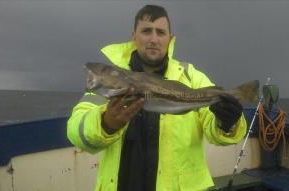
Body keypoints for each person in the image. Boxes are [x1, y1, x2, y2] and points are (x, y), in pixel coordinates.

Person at [67, 4, 246, 191]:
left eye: (160, 32)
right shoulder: (112, 82)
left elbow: (215, 131)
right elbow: (76, 130)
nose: (153, 39)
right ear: (134, 36)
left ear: (170, 39)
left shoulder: (192, 77)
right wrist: (106, 122)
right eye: (146, 31)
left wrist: (227, 122)